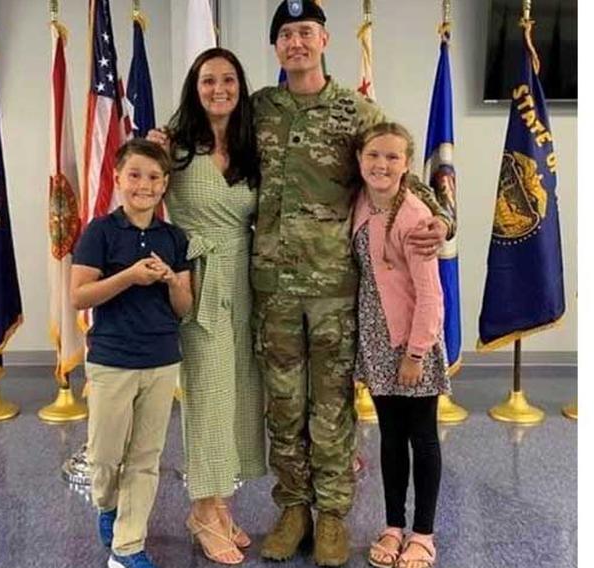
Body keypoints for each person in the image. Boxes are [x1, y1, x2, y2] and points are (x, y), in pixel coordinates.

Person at [252, 1, 455, 565]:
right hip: (272, 285)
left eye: (306, 32)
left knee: (332, 405)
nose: (297, 42)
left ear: (324, 39)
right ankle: (294, 509)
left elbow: (398, 167)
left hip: (337, 288)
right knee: (286, 405)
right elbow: (214, 143)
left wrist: (442, 219)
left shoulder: (356, 110)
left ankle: (334, 515)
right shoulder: (260, 110)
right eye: (286, 34)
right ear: (276, 46)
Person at [149, 47, 265, 565]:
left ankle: (220, 504)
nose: (219, 88)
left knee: (239, 391)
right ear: (194, 89)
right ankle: (201, 510)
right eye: (208, 80)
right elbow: (136, 197)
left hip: (245, 277)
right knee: (208, 394)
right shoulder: (172, 147)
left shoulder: (251, 145)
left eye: (228, 80)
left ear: (240, 86)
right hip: (198, 277)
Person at [70, 138, 192, 568]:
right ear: (118, 178)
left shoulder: (174, 237)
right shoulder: (100, 231)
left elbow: (185, 307)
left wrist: (170, 281)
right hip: (111, 361)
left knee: (145, 458)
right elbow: (80, 296)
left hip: (160, 360)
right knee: (104, 457)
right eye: (135, 175)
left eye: (154, 177)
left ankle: (127, 547)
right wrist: (129, 276)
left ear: (165, 185)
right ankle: (108, 506)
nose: (144, 184)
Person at [351, 123, 449, 568]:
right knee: (391, 437)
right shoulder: (361, 203)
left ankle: (423, 534)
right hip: (376, 338)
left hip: (413, 343)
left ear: (407, 164)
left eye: (392, 157)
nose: (381, 165)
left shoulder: (413, 216)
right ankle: (393, 525)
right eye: (373, 155)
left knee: (422, 437)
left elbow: (431, 295)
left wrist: (414, 354)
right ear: (359, 160)